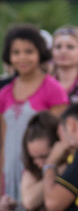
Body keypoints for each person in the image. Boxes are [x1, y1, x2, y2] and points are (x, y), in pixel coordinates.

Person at [0, 26, 68, 200]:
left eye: (29, 51)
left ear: (40, 53)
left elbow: (59, 138)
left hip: (37, 172)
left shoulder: (53, 90)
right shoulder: (5, 93)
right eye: (16, 52)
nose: (22, 57)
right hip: (9, 173)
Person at [0, 112, 59, 211]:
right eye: (33, 158)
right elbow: (29, 201)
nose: (38, 163)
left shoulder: (71, 169)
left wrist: (56, 165)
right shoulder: (33, 170)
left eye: (44, 156)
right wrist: (14, 206)